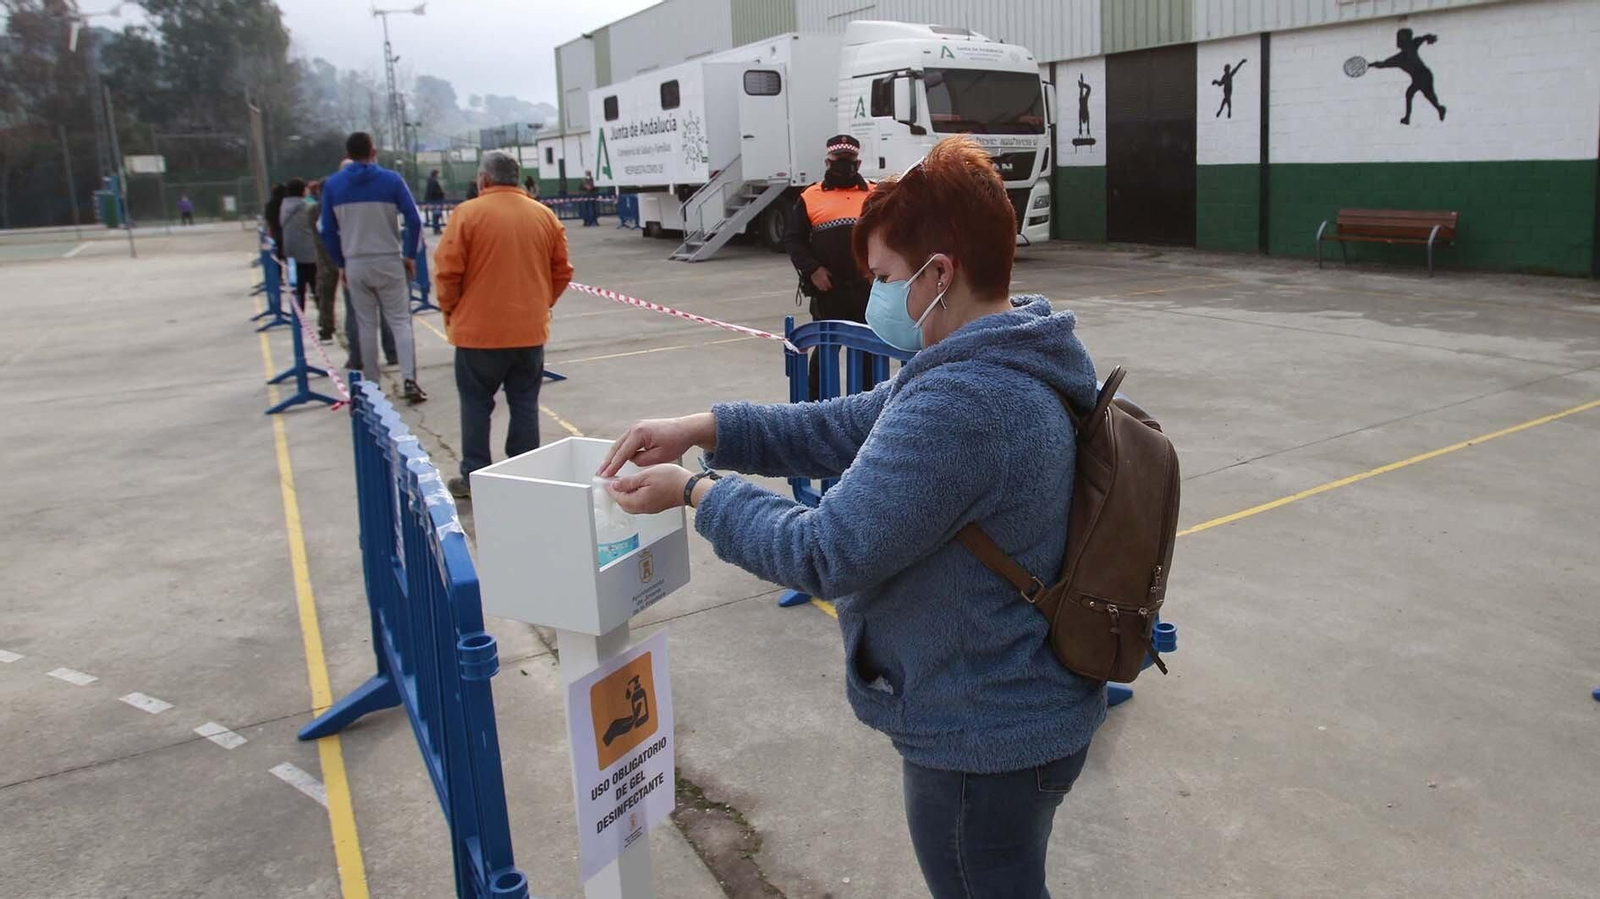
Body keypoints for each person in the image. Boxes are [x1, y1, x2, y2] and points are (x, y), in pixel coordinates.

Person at [598, 136, 1103, 899]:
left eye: (887, 277)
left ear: (940, 274)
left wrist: (697, 490)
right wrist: (704, 426)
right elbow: (841, 424)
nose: (878, 298)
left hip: (983, 739)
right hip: (1021, 706)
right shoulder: (1007, 351)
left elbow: (826, 551)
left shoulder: (968, 402)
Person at [433, 150, 572, 499]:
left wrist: (452, 311)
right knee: (525, 403)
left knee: (476, 404)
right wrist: (539, 303)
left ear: (483, 179)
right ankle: (525, 473)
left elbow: (447, 273)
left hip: (477, 334)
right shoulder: (544, 216)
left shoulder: (467, 214)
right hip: (529, 332)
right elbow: (562, 271)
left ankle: (474, 475)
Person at [320, 131, 427, 403]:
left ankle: (372, 386)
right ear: (373, 151)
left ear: (348, 154)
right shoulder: (391, 180)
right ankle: (409, 380)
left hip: (355, 261)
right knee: (400, 322)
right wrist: (410, 255)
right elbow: (414, 220)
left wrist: (341, 262)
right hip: (389, 258)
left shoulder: (333, 185)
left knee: (366, 324)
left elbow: (327, 231)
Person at [784, 134, 875, 399]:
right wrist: (812, 269)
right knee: (825, 353)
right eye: (838, 160)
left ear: (858, 164)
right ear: (827, 162)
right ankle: (816, 408)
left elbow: (891, 234)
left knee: (869, 354)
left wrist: (880, 272)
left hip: (866, 290)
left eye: (849, 160)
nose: (844, 165)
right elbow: (793, 239)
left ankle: (865, 408)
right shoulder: (809, 196)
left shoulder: (875, 193)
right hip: (829, 290)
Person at [1370, 28, 1445, 125]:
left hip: (1424, 74)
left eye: (1401, 38)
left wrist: (1430, 38)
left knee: (1422, 95)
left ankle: (1409, 117)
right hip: (1418, 77)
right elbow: (1382, 64)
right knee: (1418, 94)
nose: (1399, 41)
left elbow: (1423, 38)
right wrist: (1370, 65)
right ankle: (1438, 109)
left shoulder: (1410, 47)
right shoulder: (1399, 57)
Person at [278, 178, 320, 317]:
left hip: (290, 252)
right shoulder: (307, 206)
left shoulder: (283, 206)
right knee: (315, 286)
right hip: (308, 252)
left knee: (297, 286)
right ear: (303, 190)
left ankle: (298, 316)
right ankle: (323, 315)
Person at [264, 183, 287, 259]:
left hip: (275, 231)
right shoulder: (285, 203)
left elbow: (268, 219)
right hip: (286, 231)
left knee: (277, 256)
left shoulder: (270, 204)